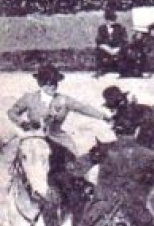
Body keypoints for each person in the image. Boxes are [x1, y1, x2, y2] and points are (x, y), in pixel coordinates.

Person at [7, 63, 110, 203]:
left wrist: (103, 116)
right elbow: (12, 112)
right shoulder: (29, 98)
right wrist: (23, 123)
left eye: (54, 83)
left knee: (71, 161)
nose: (52, 86)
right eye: (48, 83)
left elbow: (83, 108)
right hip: (35, 136)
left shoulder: (63, 100)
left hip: (58, 138)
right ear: (41, 83)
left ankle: (78, 187)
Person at [94, 8, 129, 77]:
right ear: (106, 20)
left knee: (124, 51)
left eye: (113, 20)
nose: (111, 22)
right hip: (106, 48)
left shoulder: (121, 28)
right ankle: (100, 70)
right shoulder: (102, 28)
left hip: (117, 48)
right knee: (98, 51)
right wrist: (106, 48)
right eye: (109, 20)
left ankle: (123, 70)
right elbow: (99, 40)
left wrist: (117, 49)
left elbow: (124, 40)